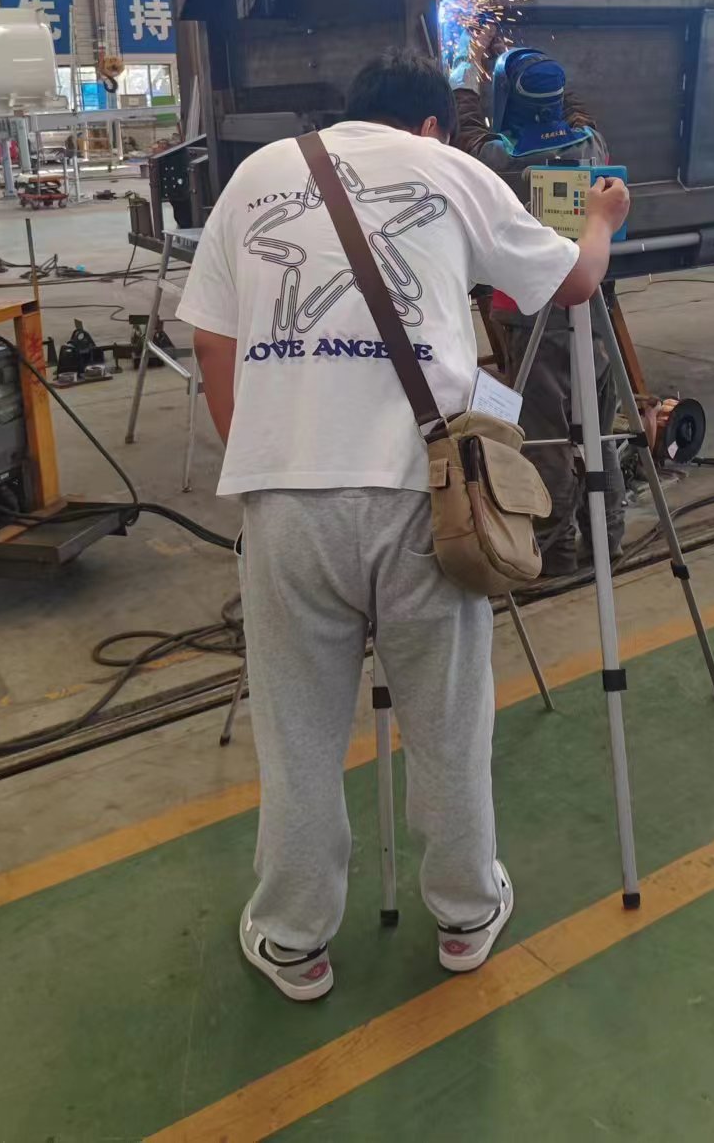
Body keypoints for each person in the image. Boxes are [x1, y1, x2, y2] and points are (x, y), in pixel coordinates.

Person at [179, 48, 630, 1002]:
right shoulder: (449, 170)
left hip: (285, 503)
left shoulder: (254, 178)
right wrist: (600, 218)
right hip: (425, 495)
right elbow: (573, 285)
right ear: (431, 126)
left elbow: (212, 339)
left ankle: (294, 938)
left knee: (299, 736)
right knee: (448, 719)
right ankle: (466, 915)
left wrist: (267, 451)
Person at [451, 31, 624, 578]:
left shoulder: (500, 158)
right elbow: (575, 111)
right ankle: (608, 538)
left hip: (532, 312)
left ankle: (554, 552)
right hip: (591, 303)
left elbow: (466, 132)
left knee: (544, 434)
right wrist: (529, 65)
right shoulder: (590, 143)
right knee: (597, 428)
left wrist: (465, 77)